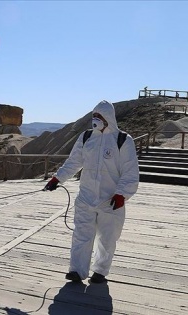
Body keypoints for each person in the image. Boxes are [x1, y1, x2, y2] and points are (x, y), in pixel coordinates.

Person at [44, 100, 139, 284]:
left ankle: (100, 271)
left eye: (100, 116)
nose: (96, 119)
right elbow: (73, 162)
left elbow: (130, 171)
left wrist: (122, 194)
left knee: (107, 238)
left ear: (109, 118)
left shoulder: (123, 140)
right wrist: (58, 178)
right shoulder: (86, 137)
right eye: (94, 116)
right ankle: (76, 271)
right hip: (86, 197)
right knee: (81, 235)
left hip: (111, 200)